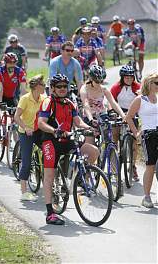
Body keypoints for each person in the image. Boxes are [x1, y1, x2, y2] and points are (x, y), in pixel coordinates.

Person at [37, 74, 99, 225]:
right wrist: (54, 131)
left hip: (68, 139)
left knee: (93, 151)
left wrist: (90, 127)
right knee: (49, 176)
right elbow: (41, 123)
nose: (63, 89)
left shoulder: (71, 104)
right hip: (51, 141)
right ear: (52, 88)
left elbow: (78, 122)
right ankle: (50, 213)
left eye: (65, 86)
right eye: (59, 86)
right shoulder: (48, 102)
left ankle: (78, 178)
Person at [126, 73, 158, 208]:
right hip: (149, 134)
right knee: (150, 166)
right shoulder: (140, 99)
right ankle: (147, 197)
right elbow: (129, 117)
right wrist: (136, 132)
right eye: (157, 83)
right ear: (149, 84)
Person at [14, 75, 46, 201]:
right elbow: (17, 117)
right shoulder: (25, 99)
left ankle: (46, 180)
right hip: (25, 131)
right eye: (42, 85)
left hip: (38, 131)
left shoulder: (44, 98)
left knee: (49, 152)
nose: (44, 87)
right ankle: (24, 192)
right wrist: (26, 127)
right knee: (26, 163)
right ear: (36, 87)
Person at [110, 65, 141, 181]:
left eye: (131, 77)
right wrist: (112, 112)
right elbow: (111, 101)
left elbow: (143, 100)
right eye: (126, 77)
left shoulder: (137, 87)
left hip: (133, 114)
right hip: (119, 112)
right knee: (115, 138)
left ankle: (132, 167)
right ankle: (113, 168)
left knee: (134, 142)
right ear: (122, 77)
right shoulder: (116, 87)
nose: (129, 79)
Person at [0, 52, 26, 141]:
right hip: (1, 95)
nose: (12, 64)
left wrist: (24, 102)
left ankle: (17, 144)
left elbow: (23, 90)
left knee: (17, 117)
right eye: (9, 62)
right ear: (5, 62)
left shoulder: (20, 72)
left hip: (12, 97)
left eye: (14, 62)